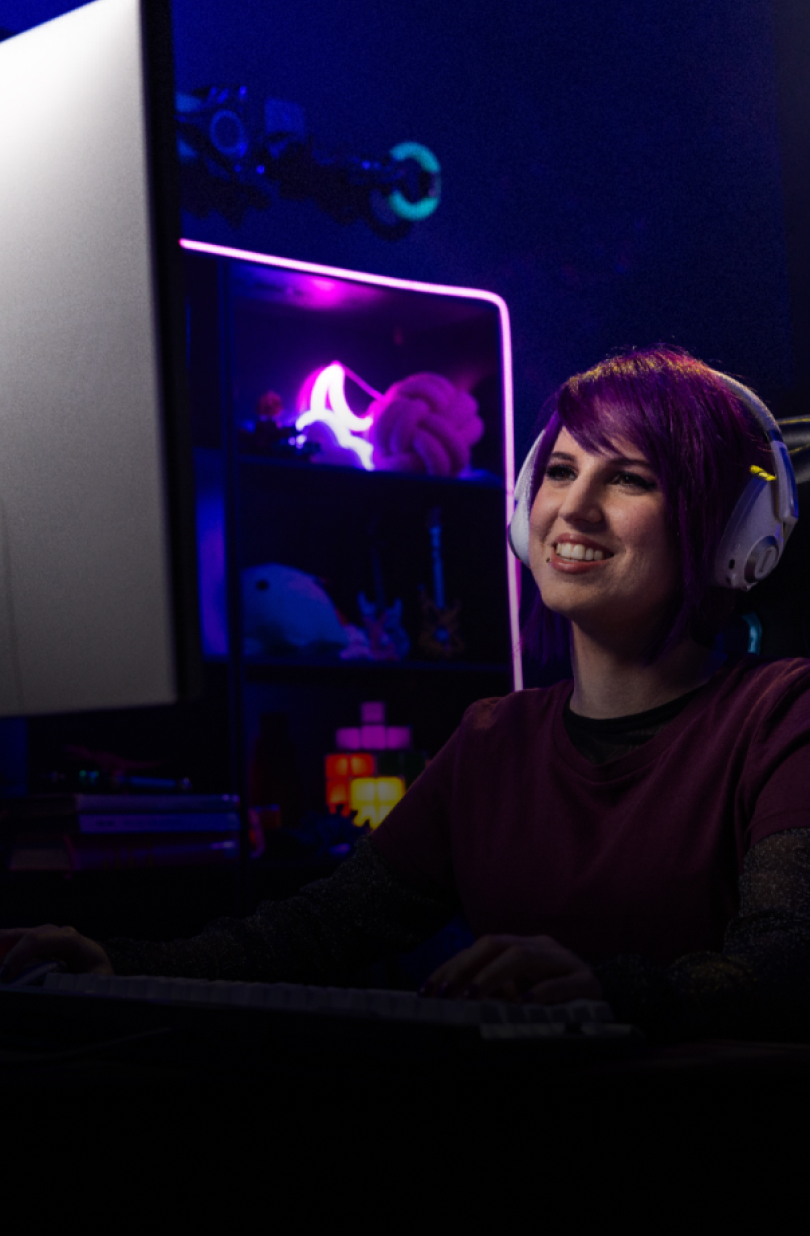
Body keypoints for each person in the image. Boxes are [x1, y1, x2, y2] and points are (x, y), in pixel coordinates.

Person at [3, 343, 810, 1042]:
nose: (574, 508)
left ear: (732, 534)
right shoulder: (493, 741)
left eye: (630, 479)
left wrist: (607, 995)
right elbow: (314, 934)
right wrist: (113, 963)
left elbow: (785, 970)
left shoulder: (783, 716)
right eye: (561, 470)